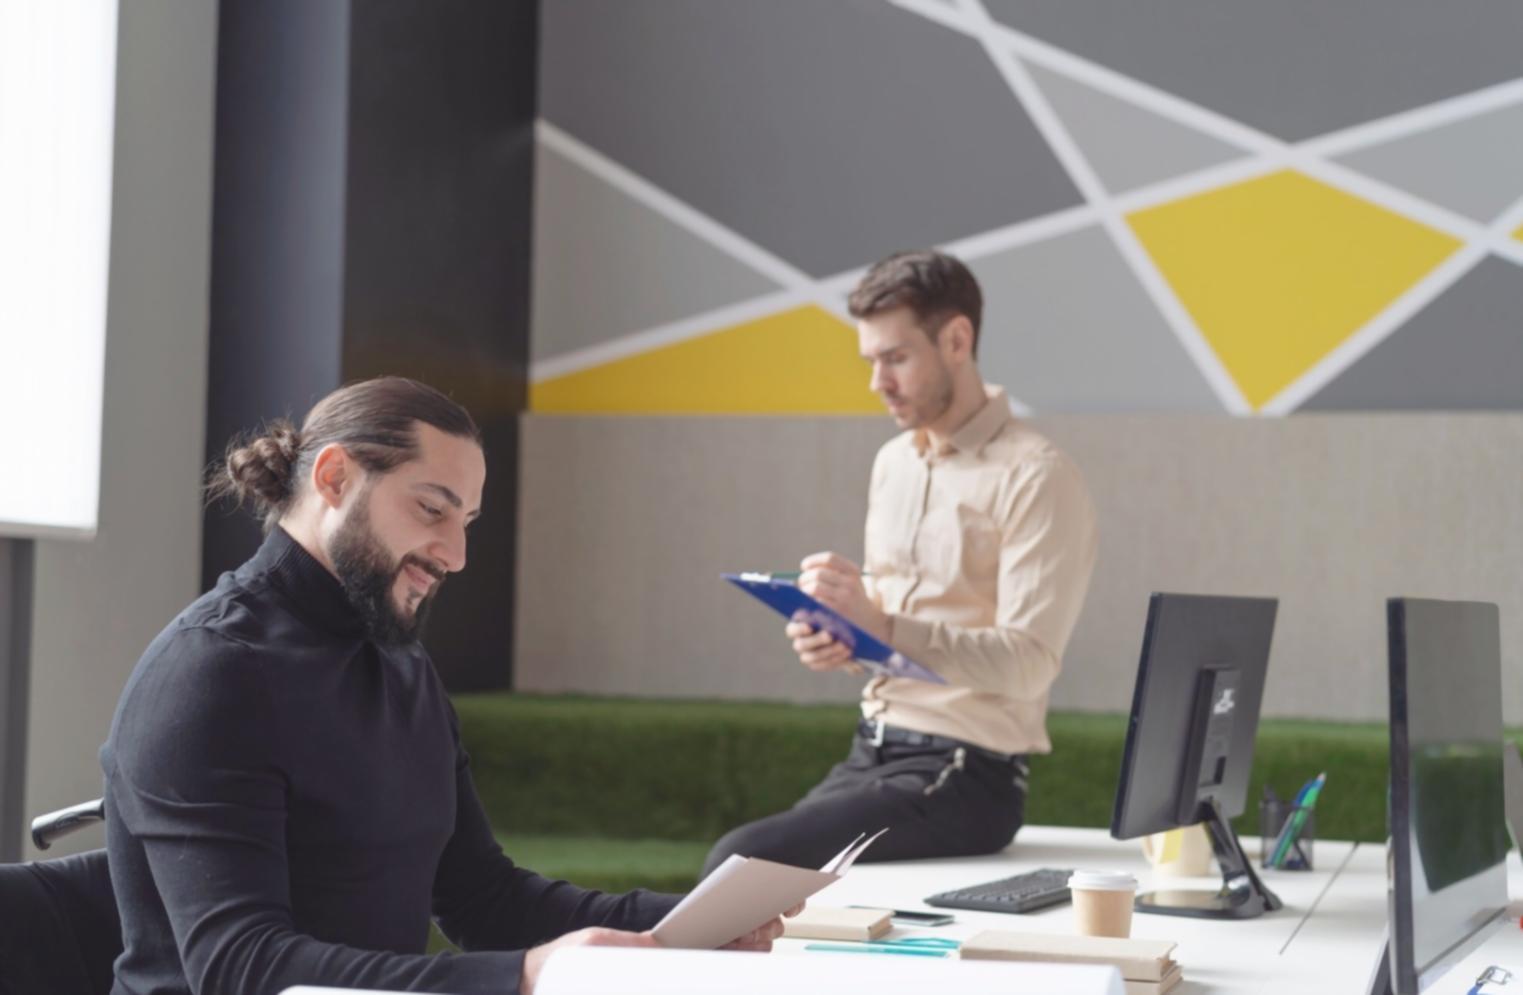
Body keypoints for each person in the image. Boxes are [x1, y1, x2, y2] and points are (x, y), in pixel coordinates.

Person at [101, 377, 785, 995]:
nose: (455, 555)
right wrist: (520, 973)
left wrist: (694, 918)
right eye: (433, 509)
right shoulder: (209, 673)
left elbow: (480, 895)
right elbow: (239, 968)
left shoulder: (398, 659)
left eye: (466, 522)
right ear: (334, 477)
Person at [703, 250, 1099, 876]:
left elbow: (1029, 665)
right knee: (749, 889)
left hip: (969, 773)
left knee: (740, 862)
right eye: (871, 361)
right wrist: (843, 639)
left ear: (957, 340)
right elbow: (893, 633)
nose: (877, 382)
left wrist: (883, 627)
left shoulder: (1038, 476)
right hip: (874, 751)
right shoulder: (894, 463)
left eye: (895, 358)